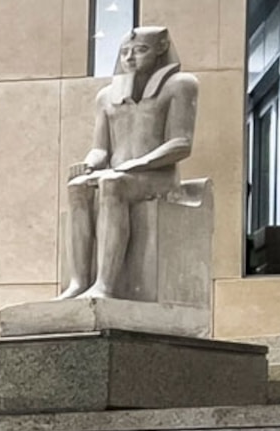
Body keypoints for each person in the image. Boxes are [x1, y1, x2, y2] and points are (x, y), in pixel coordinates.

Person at [59, 26, 199, 302]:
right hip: (121, 172)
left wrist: (139, 163)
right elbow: (100, 149)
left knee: (112, 184)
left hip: (157, 176)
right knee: (77, 187)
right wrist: (88, 164)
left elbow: (181, 143)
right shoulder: (106, 97)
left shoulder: (181, 85)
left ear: (160, 49)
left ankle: (105, 284)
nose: (131, 57)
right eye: (125, 52)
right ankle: (78, 281)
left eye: (140, 50)